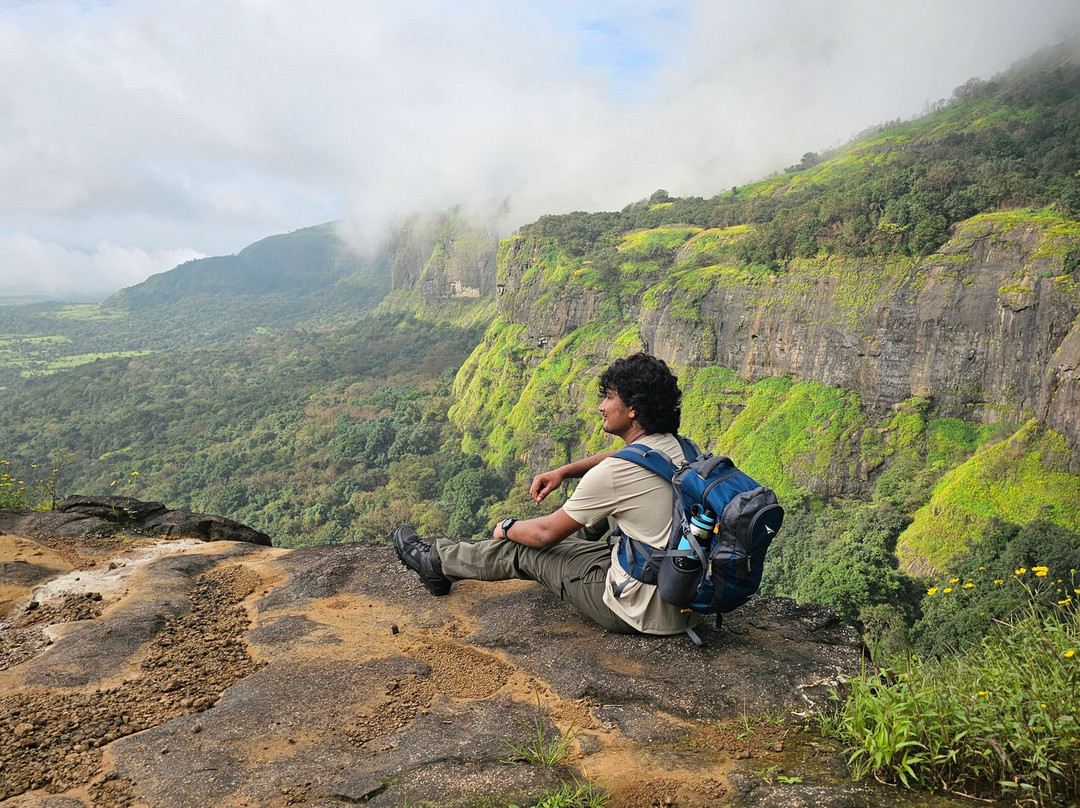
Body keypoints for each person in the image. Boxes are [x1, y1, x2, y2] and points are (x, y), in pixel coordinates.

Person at [393, 353, 692, 636]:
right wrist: (565, 471)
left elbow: (544, 534)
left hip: (637, 608)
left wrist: (508, 527)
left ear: (633, 409)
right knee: (597, 520)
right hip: (680, 593)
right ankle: (450, 560)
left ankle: (435, 562)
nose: (601, 406)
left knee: (525, 547)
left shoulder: (615, 474)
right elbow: (626, 455)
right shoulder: (682, 448)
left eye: (609, 397)